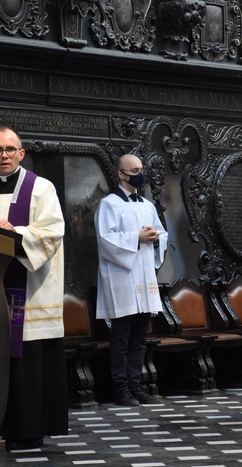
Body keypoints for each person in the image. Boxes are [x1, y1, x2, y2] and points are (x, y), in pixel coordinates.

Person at [0, 127, 67, 450]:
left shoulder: (41, 189)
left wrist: (17, 233)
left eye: (11, 149)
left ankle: (30, 429)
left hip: (31, 290)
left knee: (27, 364)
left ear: (21, 154)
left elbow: (53, 231)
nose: (5, 155)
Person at [94, 154, 168, 406]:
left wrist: (156, 238)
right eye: (134, 170)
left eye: (141, 168)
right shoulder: (109, 204)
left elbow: (162, 233)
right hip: (122, 279)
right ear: (120, 174)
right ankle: (121, 389)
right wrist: (136, 237)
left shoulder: (147, 205)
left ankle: (136, 386)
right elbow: (105, 240)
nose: (139, 173)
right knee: (121, 338)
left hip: (144, 276)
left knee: (139, 337)